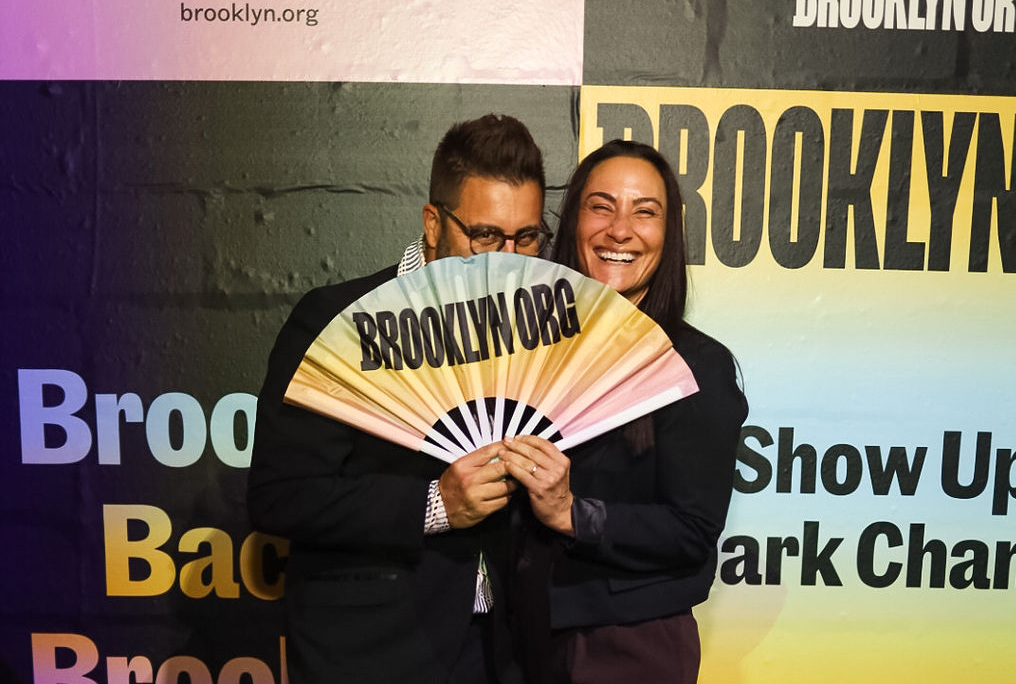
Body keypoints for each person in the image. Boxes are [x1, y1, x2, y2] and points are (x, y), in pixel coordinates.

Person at [247, 113, 551, 684]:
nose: (509, 259)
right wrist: (434, 504)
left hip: (503, 650)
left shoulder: (542, 331)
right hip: (372, 650)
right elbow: (280, 495)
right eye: (486, 236)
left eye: (527, 237)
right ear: (433, 224)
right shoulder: (337, 322)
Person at [498, 140, 748, 684]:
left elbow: (692, 530)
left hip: (626, 645)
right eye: (601, 206)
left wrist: (571, 512)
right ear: (573, 222)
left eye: (645, 212)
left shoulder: (697, 367)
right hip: (516, 633)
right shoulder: (521, 349)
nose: (619, 230)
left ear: (668, 234)